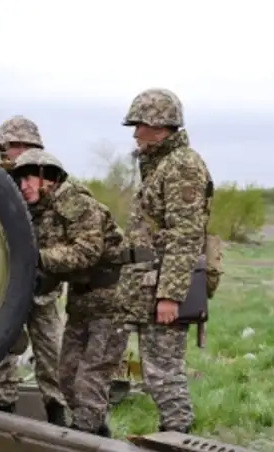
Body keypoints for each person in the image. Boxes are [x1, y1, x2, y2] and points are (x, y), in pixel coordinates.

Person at [9, 149, 129, 437]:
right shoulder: (40, 213)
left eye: (28, 179)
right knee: (66, 376)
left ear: (47, 177)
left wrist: (38, 258)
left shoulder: (74, 202)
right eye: (19, 180)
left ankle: (83, 437)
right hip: (81, 301)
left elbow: (86, 252)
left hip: (111, 300)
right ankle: (96, 432)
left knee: (91, 378)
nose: (23, 186)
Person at [115, 88, 213, 433]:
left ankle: (178, 436)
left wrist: (169, 295)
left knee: (162, 373)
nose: (135, 134)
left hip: (162, 285)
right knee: (155, 370)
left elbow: (185, 235)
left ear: (159, 127)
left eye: (139, 125)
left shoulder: (182, 166)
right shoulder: (161, 165)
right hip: (148, 283)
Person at [0, 115, 68, 426]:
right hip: (4, 285)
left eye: (27, 146)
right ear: (3, 149)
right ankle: (2, 408)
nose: (20, 152)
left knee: (51, 353)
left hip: (42, 286)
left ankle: (58, 414)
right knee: (4, 352)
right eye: (14, 146)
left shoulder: (51, 181)